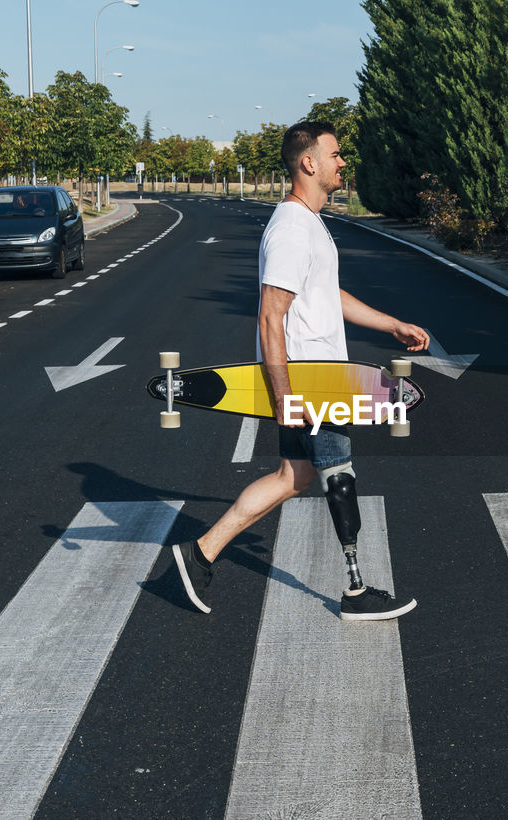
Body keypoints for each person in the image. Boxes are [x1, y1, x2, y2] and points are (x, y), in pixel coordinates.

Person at [170, 121, 430, 620]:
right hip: (311, 381)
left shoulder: (309, 223)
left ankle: (199, 554)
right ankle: (356, 589)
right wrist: (286, 394)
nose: (342, 162)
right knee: (339, 471)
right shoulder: (291, 227)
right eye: (335, 154)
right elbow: (272, 314)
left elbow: (325, 295)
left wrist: (390, 323)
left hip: (316, 378)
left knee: (296, 475)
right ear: (308, 162)